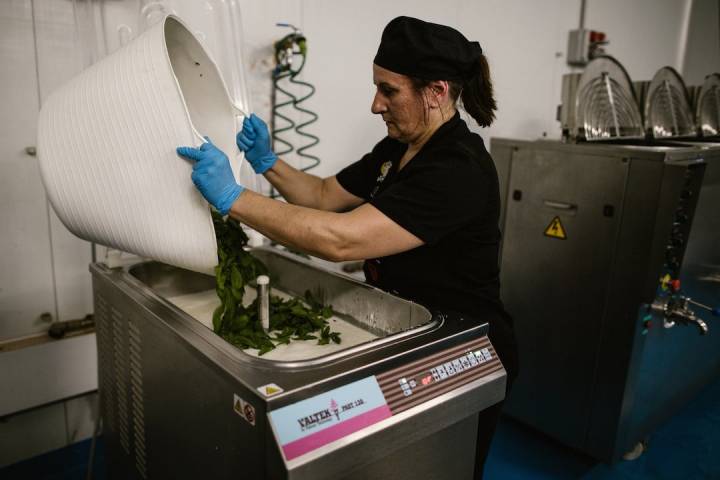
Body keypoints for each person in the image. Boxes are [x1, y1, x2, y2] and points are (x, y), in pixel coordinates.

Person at [177, 15, 518, 479]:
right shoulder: (397, 149)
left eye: (389, 90)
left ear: (436, 92)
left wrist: (233, 197)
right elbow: (322, 196)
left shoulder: (458, 169)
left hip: (457, 345)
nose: (376, 104)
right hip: (407, 330)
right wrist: (267, 163)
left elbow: (339, 239)